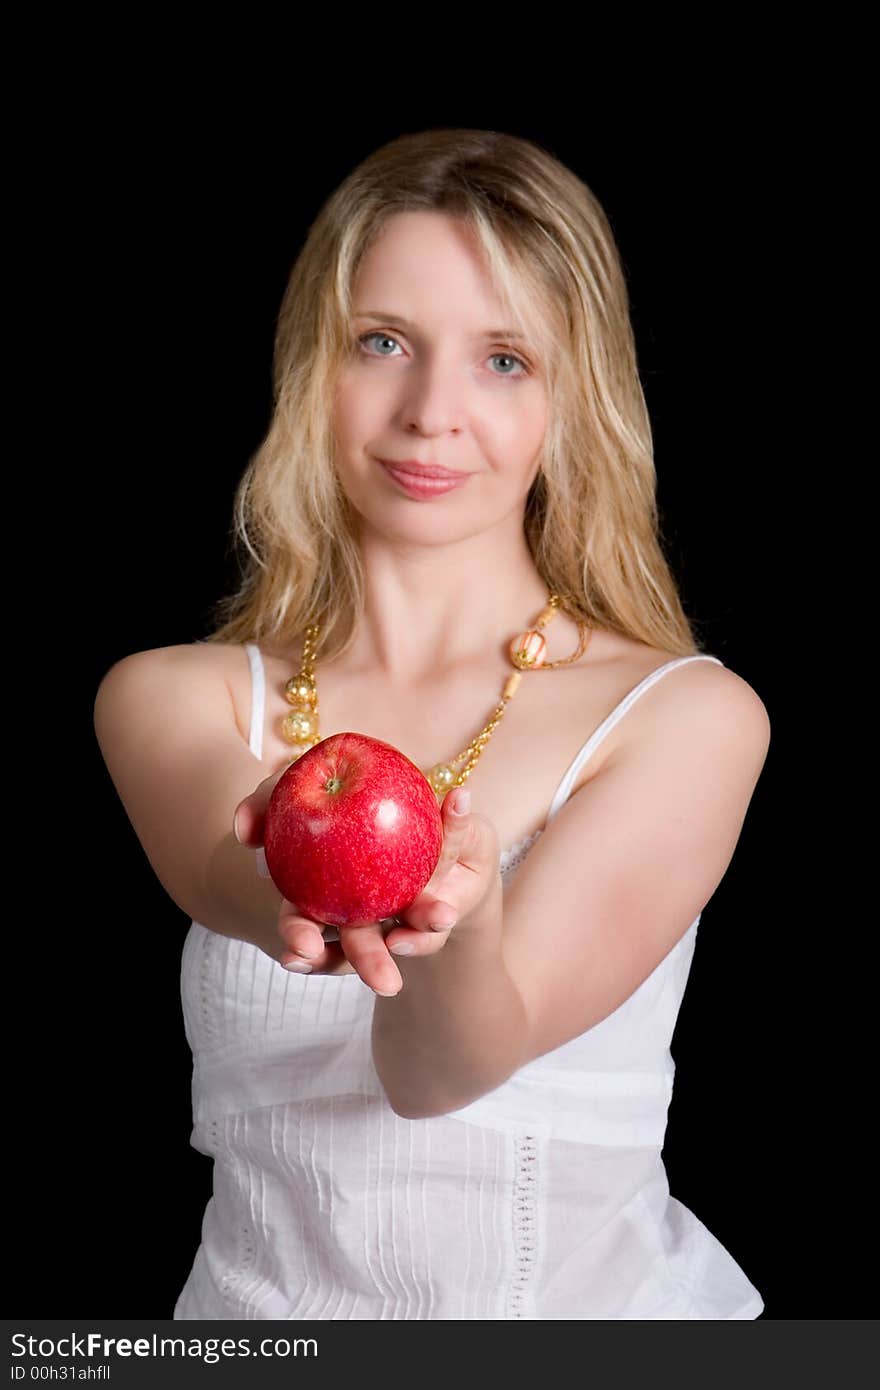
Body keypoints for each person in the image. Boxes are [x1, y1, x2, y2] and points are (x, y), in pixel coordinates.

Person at [93, 128, 771, 1319]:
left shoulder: (685, 718)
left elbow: (438, 1073)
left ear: (576, 398)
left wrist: (457, 915)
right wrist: (333, 889)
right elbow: (238, 880)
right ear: (317, 363)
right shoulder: (170, 698)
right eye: (383, 343)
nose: (430, 412)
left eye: (504, 359)